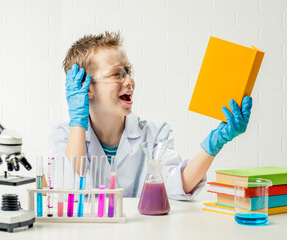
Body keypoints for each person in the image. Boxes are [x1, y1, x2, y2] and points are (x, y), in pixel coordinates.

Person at [50, 31, 252, 199]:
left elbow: (177, 185)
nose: (130, 81)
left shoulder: (155, 133)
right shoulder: (65, 135)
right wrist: (78, 122)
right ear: (86, 88)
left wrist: (214, 144)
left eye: (129, 71)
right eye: (117, 74)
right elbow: (68, 191)